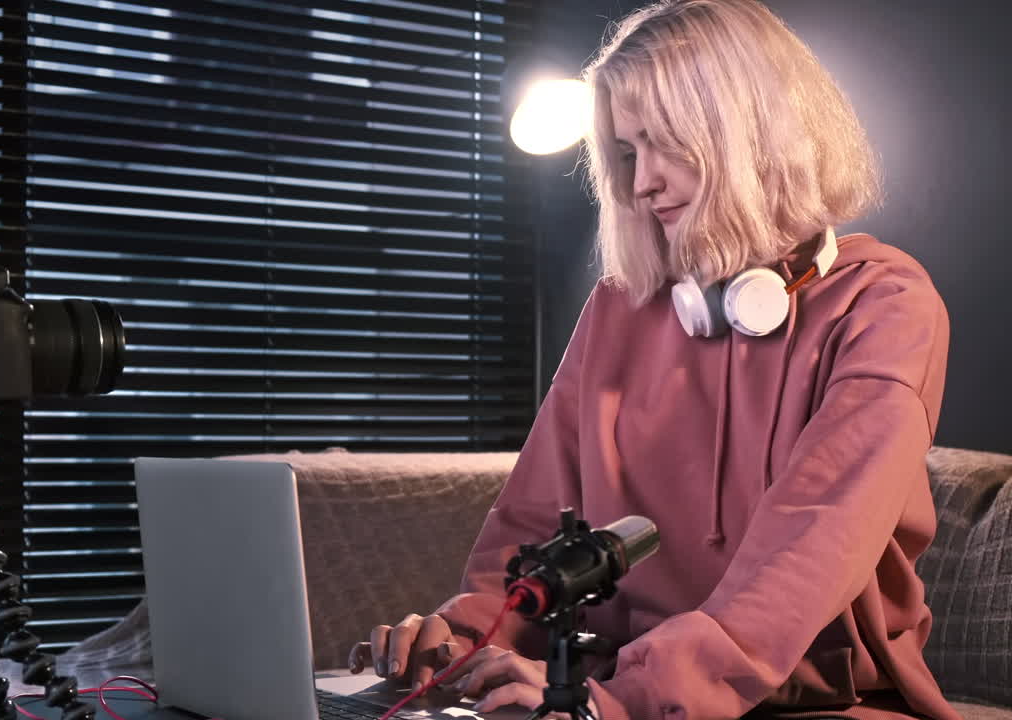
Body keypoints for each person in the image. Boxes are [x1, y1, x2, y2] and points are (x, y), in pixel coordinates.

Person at [349, 1, 962, 719]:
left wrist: (624, 703)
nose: (640, 183)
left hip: (813, 704)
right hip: (608, 691)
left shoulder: (886, 306)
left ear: (748, 133)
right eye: (628, 152)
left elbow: (803, 558)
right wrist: (459, 641)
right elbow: (532, 529)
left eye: (664, 143)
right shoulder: (621, 308)